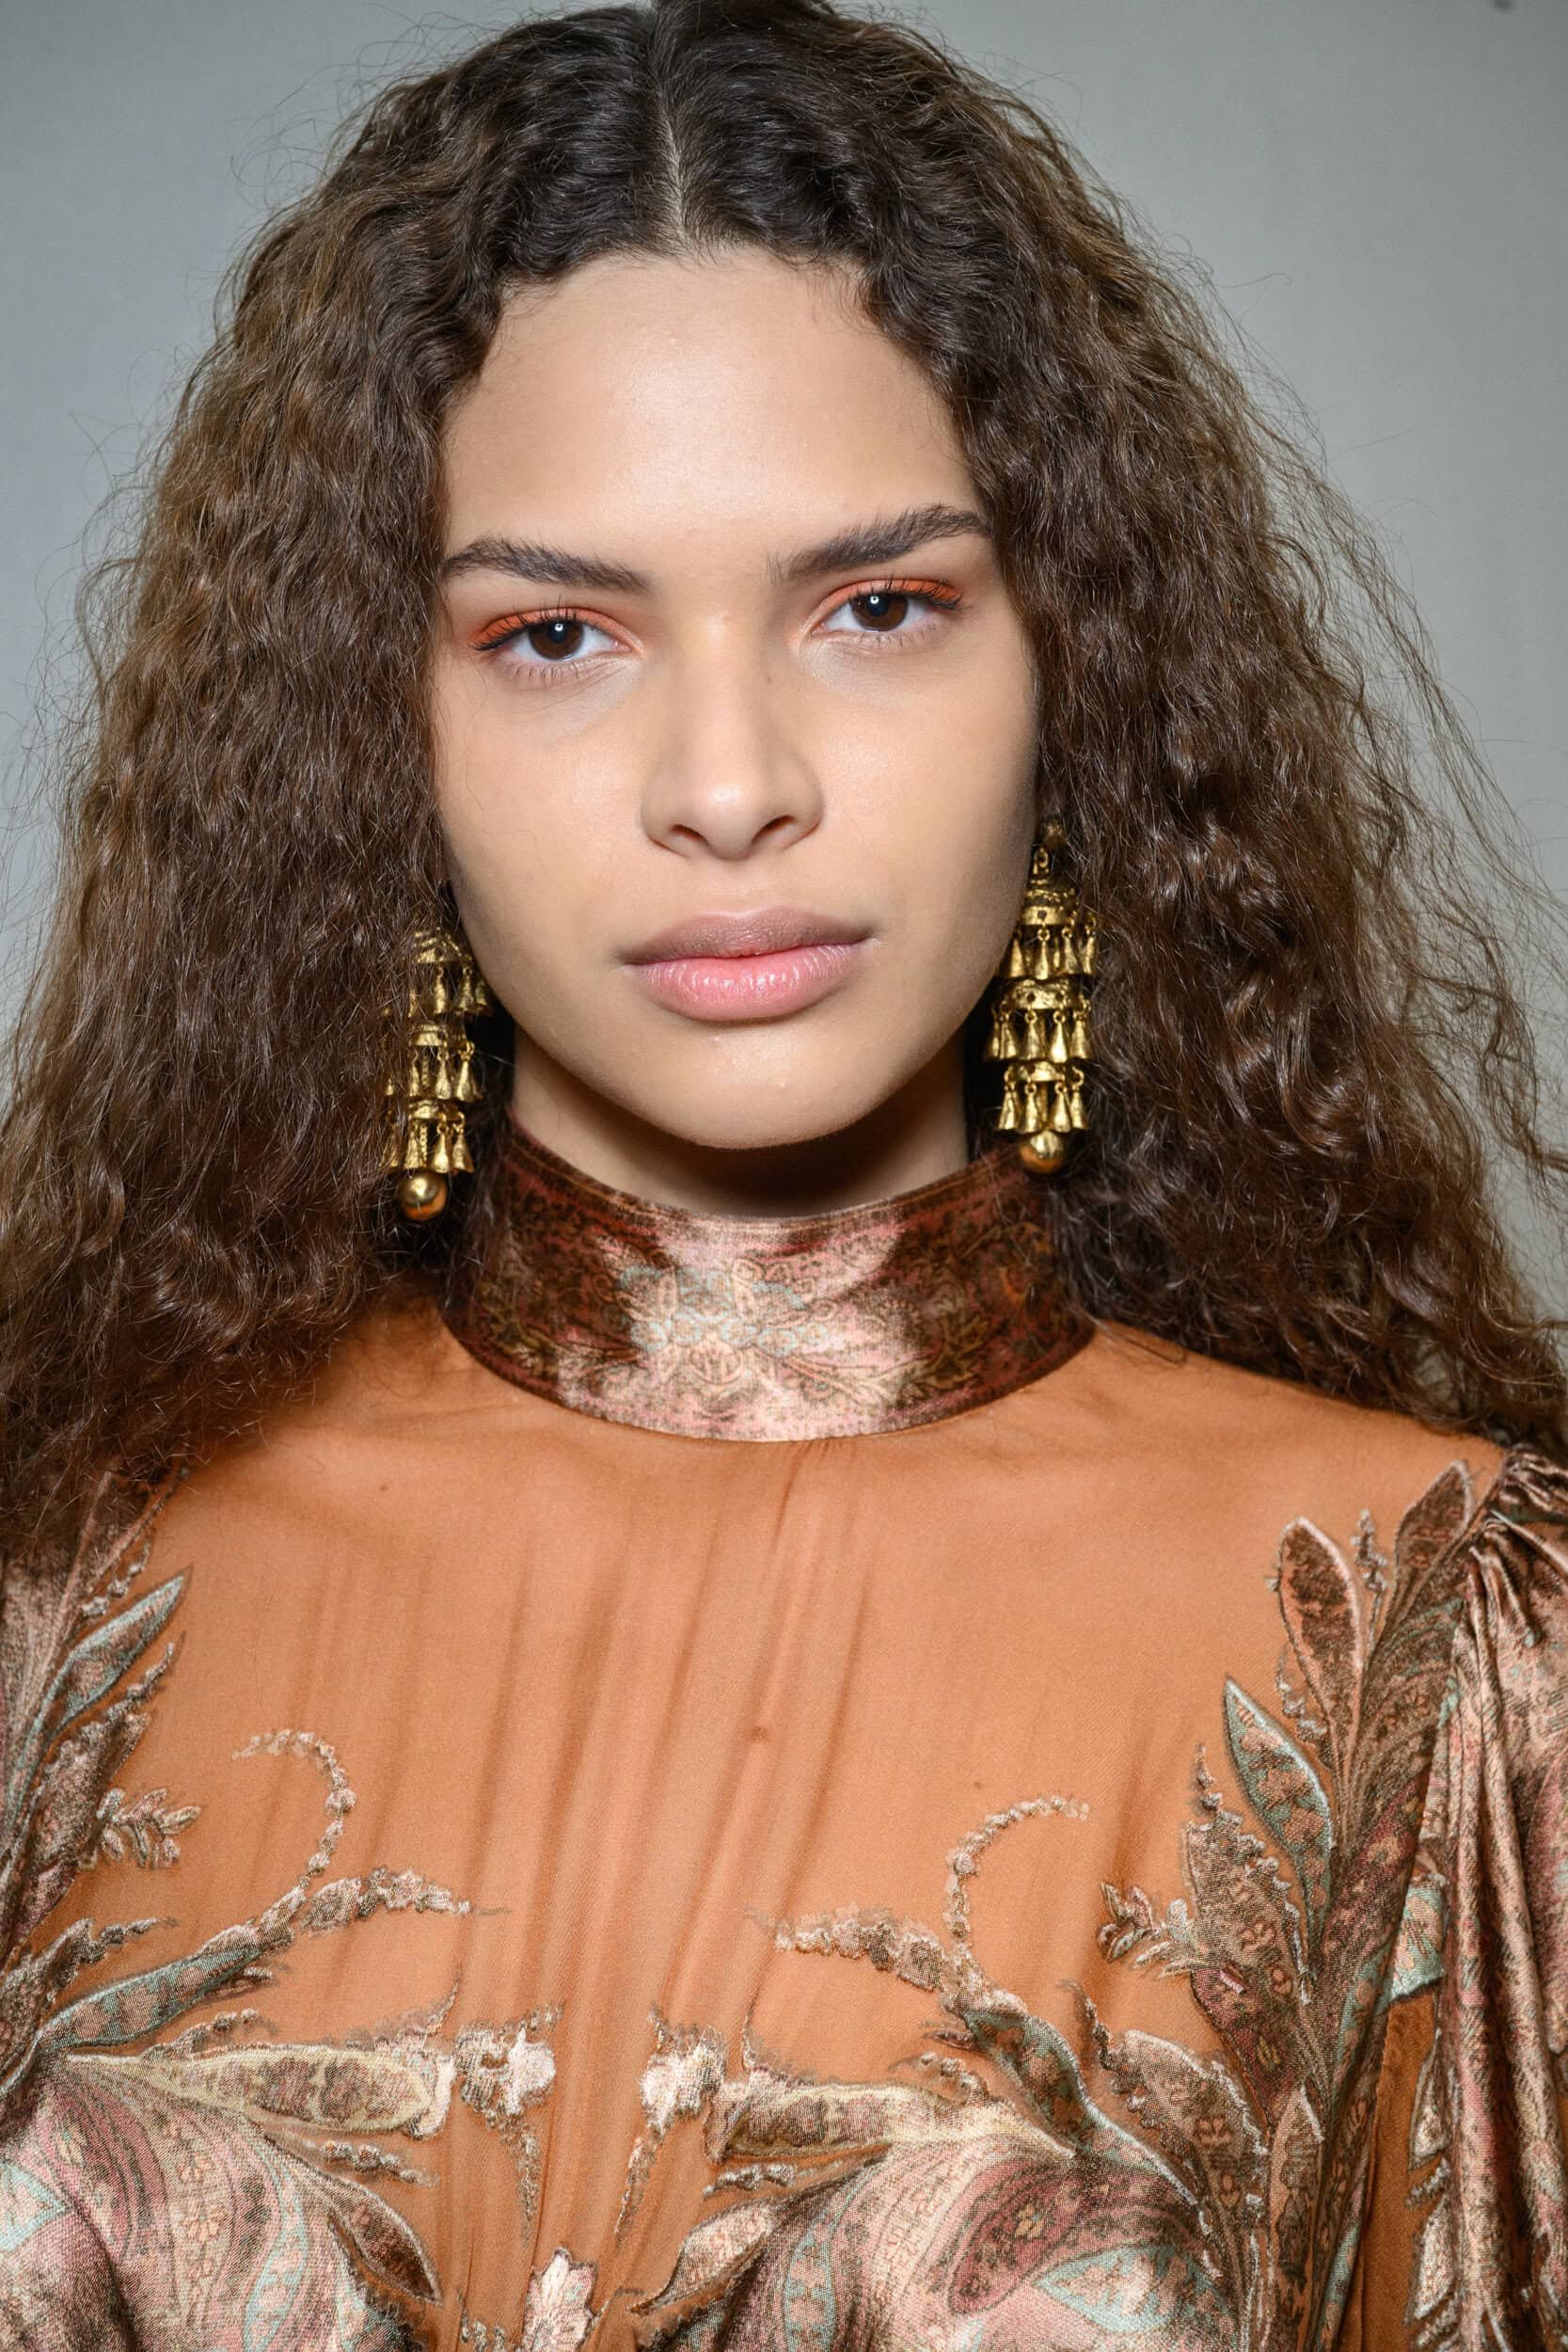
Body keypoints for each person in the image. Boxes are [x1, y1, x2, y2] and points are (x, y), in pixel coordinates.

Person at [1, 0, 1564, 2344]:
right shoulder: (55, 1581)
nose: (729, 784)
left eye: (879, 608)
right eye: (555, 633)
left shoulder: (1444, 1649)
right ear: (368, 725)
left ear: (1076, 670)